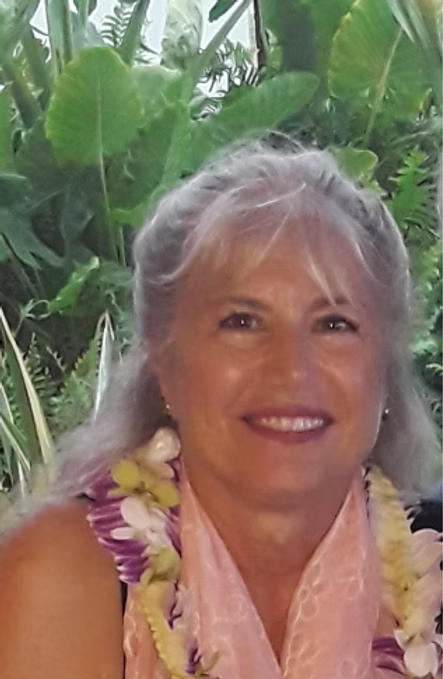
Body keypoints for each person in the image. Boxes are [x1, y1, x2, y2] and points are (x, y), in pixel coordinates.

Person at [0, 142, 441, 679]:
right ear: (165, 364)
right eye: (242, 322)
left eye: (333, 325)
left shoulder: (432, 568)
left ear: (386, 369)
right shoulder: (58, 576)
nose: (291, 370)